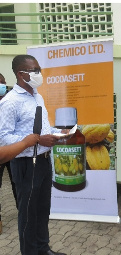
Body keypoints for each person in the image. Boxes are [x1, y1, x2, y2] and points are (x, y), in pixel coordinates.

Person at [0, 55, 66, 255]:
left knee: (42, 210)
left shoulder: (37, 96)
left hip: (44, 162)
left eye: (39, 69)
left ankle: (43, 249)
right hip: (26, 165)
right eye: (35, 70)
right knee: (28, 216)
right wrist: (36, 140)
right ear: (21, 74)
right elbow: (4, 139)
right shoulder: (10, 102)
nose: (40, 74)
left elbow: (42, 128)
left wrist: (57, 133)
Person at [0, 73, 18, 208]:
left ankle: (22, 209)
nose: (3, 86)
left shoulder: (10, 102)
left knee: (17, 182)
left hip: (12, 151)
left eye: (3, 82)